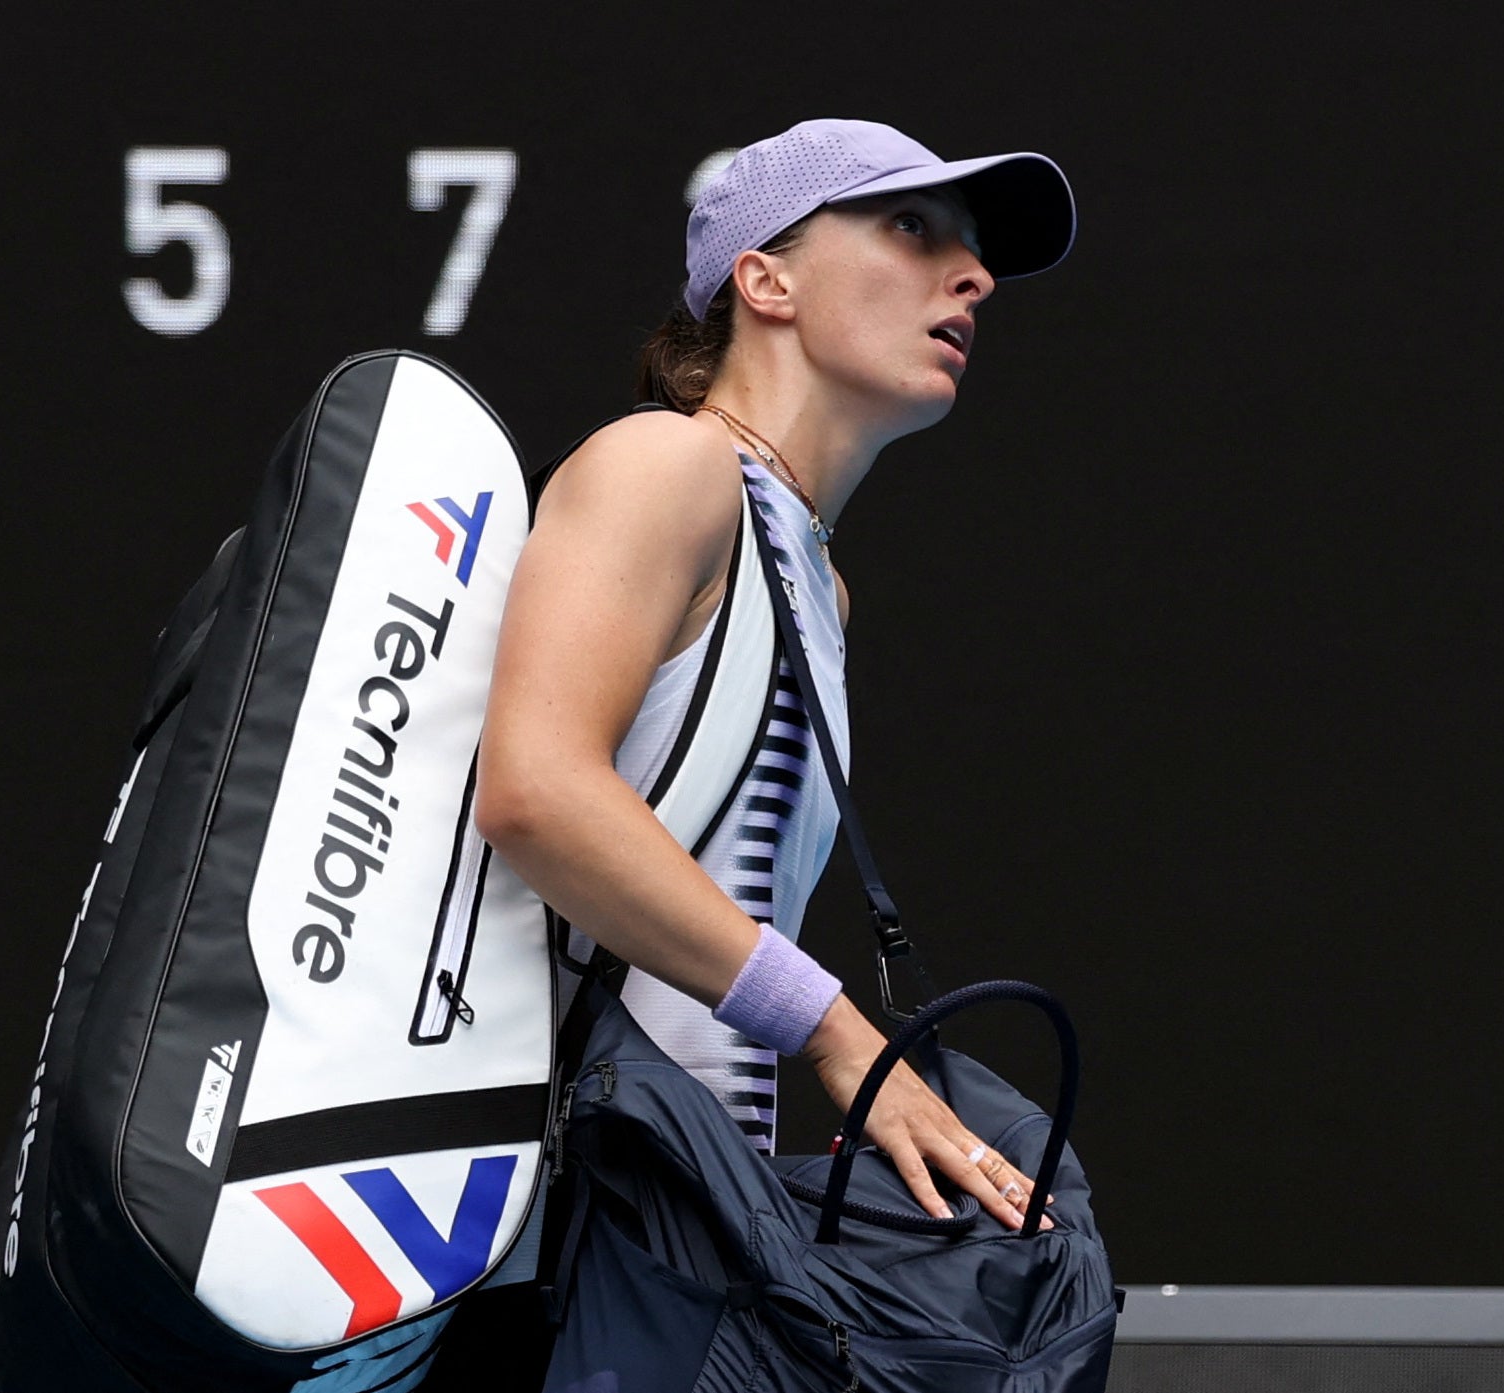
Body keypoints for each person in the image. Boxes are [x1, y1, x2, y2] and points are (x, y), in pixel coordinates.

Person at [417, 116, 1076, 1390]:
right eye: (911, 227)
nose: (973, 276)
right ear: (764, 280)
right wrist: (834, 1030)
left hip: (657, 1251)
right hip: (513, 1262)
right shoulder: (665, 464)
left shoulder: (817, 581)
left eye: (972, 248)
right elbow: (537, 791)